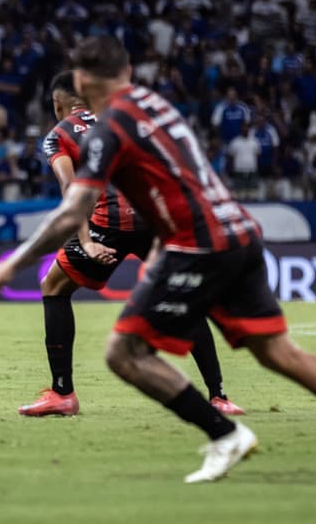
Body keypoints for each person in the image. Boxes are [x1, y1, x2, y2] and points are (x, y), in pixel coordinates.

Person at [0, 36, 316, 483]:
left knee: (125, 352)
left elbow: (74, 209)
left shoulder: (106, 129)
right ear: (128, 73)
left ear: (81, 81)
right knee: (279, 353)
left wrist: (11, 264)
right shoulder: (157, 104)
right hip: (239, 230)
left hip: (194, 243)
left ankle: (224, 434)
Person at [19, 70, 244, 417]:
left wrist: (88, 240)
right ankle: (219, 397)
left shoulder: (59, 134)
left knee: (54, 285)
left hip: (110, 221)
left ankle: (63, 393)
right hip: (156, 216)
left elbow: (71, 189)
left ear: (57, 103)